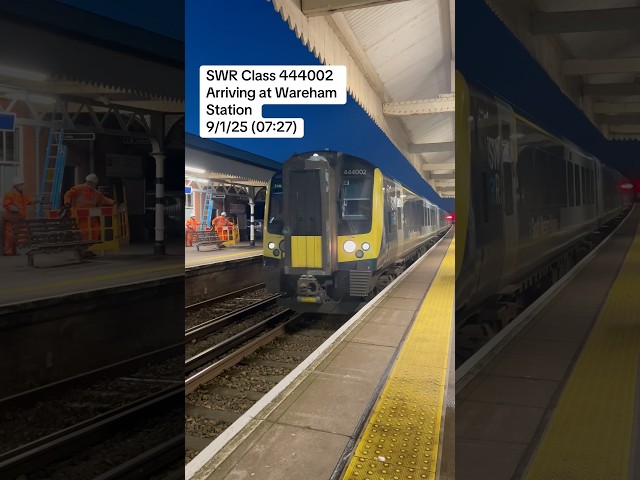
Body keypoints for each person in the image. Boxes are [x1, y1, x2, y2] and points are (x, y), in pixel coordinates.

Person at [63, 174, 115, 249]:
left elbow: (103, 200)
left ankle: (90, 249)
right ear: (88, 182)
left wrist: (113, 202)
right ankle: (84, 251)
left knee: (96, 231)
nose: (93, 185)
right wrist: (67, 203)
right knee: (85, 233)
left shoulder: (95, 193)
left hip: (91, 217)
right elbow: (68, 195)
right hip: (80, 217)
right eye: (93, 183)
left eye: (94, 184)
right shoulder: (78, 188)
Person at [3, 177, 37, 256]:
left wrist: (37, 200)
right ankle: (8, 252)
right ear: (16, 185)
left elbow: (29, 201)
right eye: (21, 185)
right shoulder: (9, 194)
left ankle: (19, 251)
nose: (23, 186)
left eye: (22, 184)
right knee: (9, 236)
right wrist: (12, 208)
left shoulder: (22, 195)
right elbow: (6, 204)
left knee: (22, 236)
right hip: (11, 220)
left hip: (21, 219)